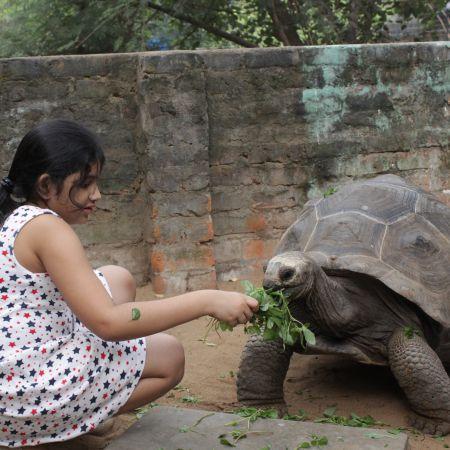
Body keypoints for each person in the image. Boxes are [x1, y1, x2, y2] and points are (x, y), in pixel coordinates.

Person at [0, 119, 259, 448]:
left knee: (117, 279)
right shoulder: (49, 229)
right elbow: (109, 323)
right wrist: (206, 301)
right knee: (170, 357)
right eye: (86, 183)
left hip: (11, 368)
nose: (97, 194)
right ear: (47, 185)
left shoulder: (14, 214)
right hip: (23, 395)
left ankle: (81, 409)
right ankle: (72, 421)